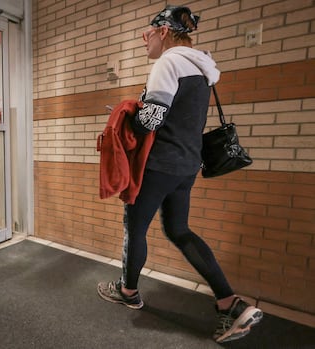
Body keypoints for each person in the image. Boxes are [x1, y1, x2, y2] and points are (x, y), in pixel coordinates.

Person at [96, 5, 263, 343]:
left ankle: (127, 291)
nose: (145, 40)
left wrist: (126, 116)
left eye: (148, 33)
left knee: (135, 227)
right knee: (179, 229)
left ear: (165, 32)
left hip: (159, 165)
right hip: (188, 165)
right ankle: (230, 302)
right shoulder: (202, 69)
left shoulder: (168, 63)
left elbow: (153, 119)